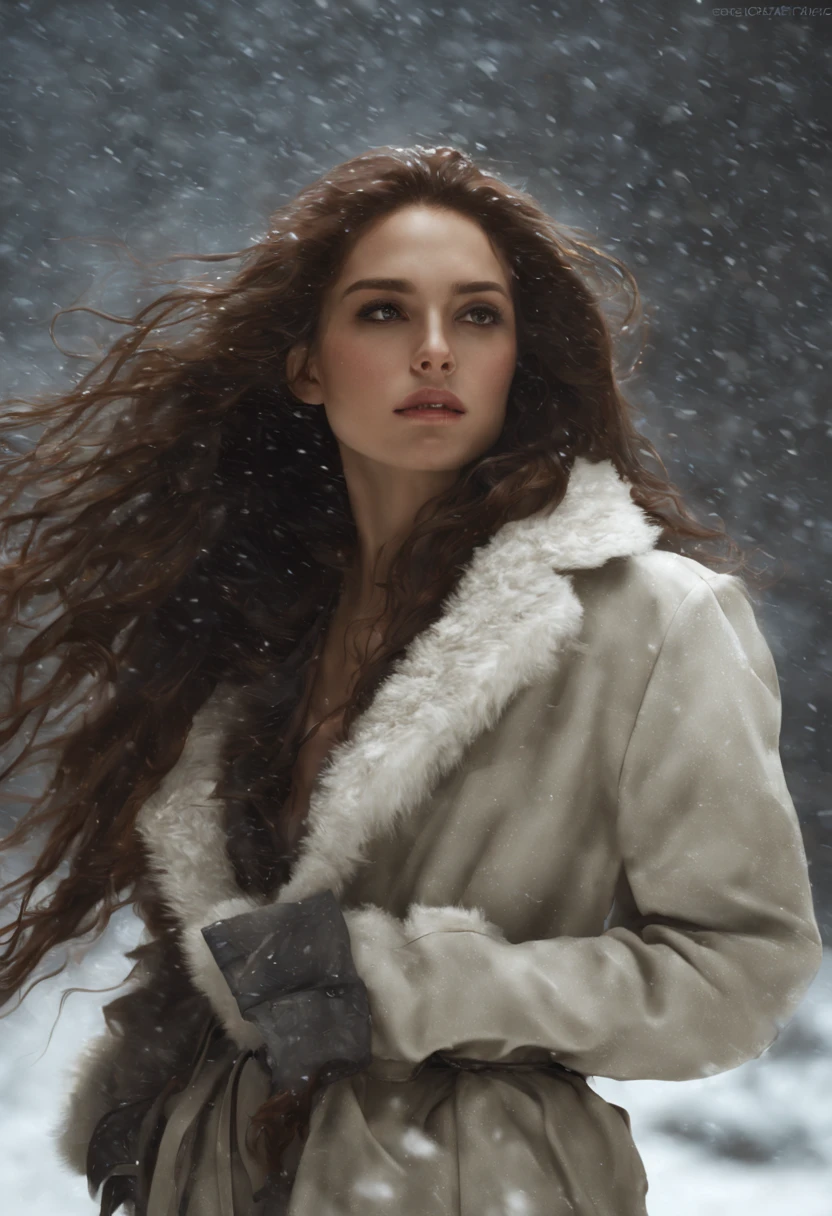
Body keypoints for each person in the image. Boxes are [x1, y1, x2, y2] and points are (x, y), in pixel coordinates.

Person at [0, 144, 822, 1216]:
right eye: (384, 312)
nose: (434, 350)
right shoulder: (242, 638)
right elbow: (238, 953)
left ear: (518, 357)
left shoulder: (650, 621)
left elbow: (740, 973)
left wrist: (407, 983)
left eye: (477, 316)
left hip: (478, 1185)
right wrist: (150, 1087)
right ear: (306, 364)